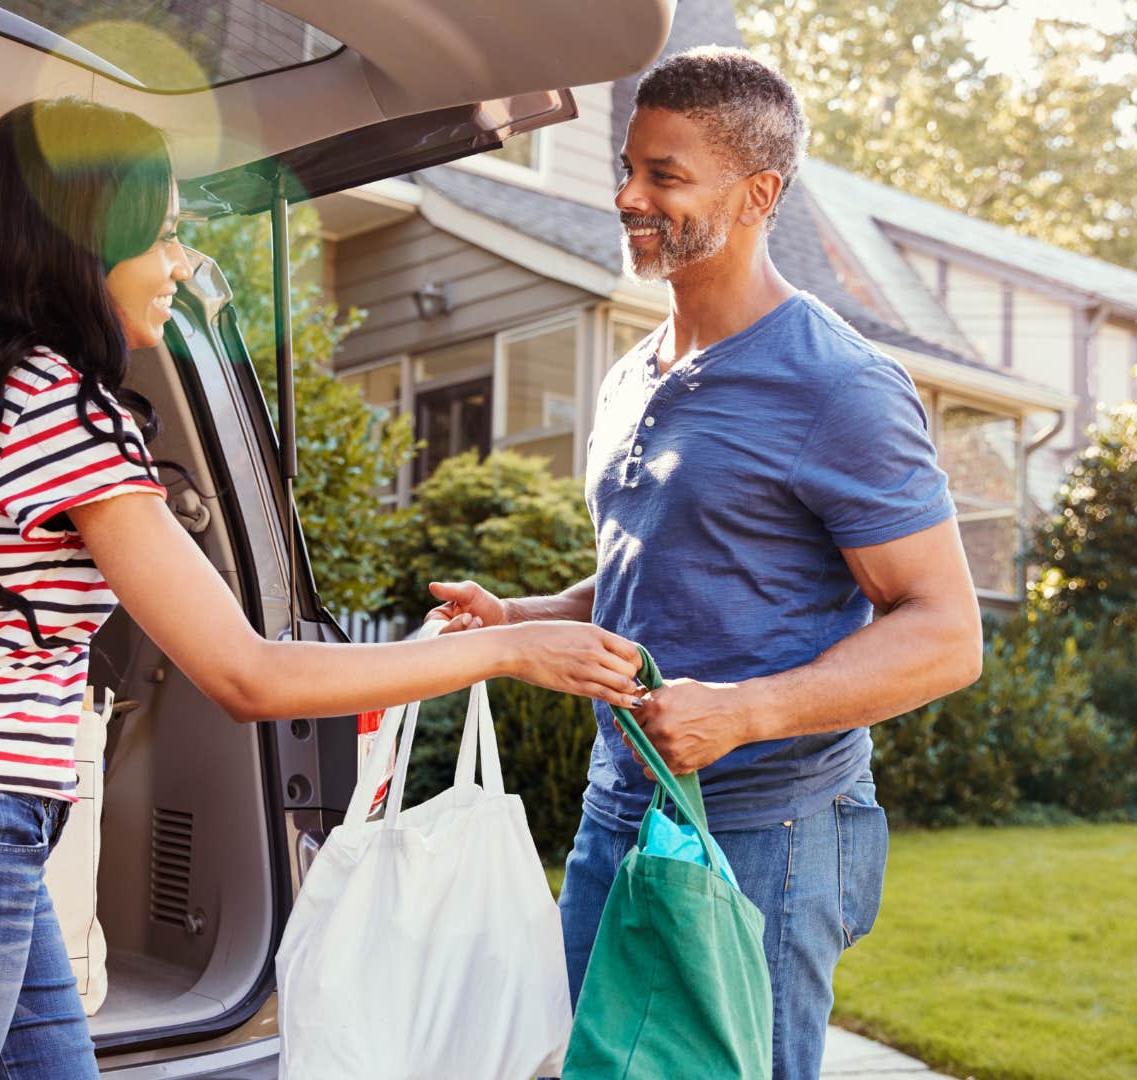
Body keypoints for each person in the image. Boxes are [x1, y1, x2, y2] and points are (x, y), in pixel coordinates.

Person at [0, 98, 643, 1079]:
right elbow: (247, 674)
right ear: (84, 240)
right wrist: (507, 647)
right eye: (166, 234)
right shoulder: (63, 410)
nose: (181, 264)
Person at [427, 48, 984, 1079]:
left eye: (665, 176)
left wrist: (745, 712)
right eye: (627, 167)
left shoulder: (840, 389)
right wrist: (518, 616)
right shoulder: (633, 375)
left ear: (758, 194)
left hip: (765, 831)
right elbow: (661, 573)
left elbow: (946, 635)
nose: (627, 197)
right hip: (617, 809)